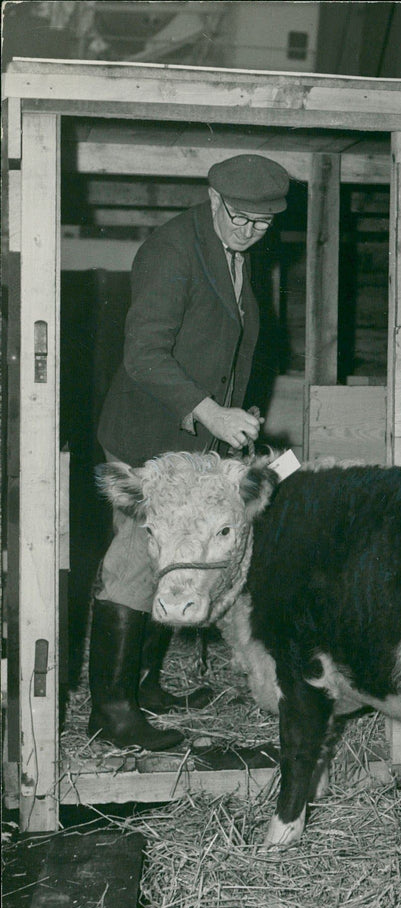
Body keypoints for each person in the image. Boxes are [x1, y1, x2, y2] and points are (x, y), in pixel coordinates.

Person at [90, 154, 290, 750]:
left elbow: (221, 346)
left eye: (263, 223)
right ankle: (112, 711)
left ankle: (148, 684)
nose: (250, 232)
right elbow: (144, 354)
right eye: (240, 218)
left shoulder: (236, 253)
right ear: (211, 198)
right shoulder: (171, 251)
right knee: (134, 561)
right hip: (150, 438)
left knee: (176, 555)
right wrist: (209, 411)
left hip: (196, 443)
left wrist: (236, 415)